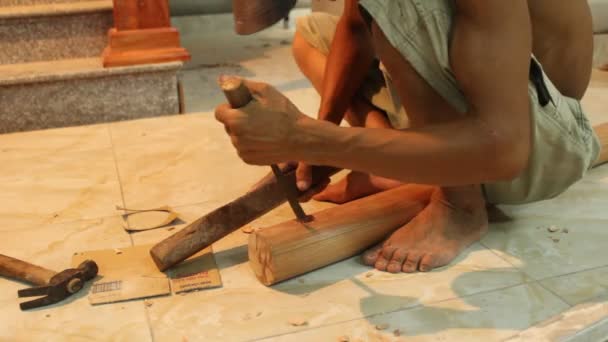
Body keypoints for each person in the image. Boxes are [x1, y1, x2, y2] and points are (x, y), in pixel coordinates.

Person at [215, 0, 601, 273]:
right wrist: (323, 132)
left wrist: (307, 138)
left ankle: (459, 206)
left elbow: (505, 149)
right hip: (477, 109)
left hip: (537, 143)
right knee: (313, 35)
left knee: (397, 5)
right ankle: (403, 160)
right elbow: (353, 27)